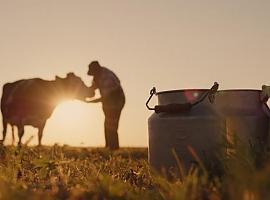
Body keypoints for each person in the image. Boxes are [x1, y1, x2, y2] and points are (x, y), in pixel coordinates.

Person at [86, 61, 125, 150]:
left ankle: (113, 148)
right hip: (108, 102)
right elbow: (92, 88)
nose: (92, 76)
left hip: (116, 101)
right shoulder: (98, 76)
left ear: (96, 70)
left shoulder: (107, 77)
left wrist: (90, 101)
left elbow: (105, 97)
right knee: (108, 124)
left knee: (112, 125)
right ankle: (109, 147)